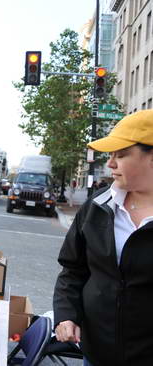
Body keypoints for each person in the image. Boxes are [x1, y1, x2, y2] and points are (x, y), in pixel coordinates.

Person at [53, 109, 153, 366]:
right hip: (96, 353)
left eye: (121, 155)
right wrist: (66, 315)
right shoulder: (97, 207)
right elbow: (73, 270)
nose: (110, 164)